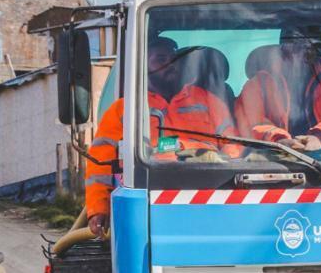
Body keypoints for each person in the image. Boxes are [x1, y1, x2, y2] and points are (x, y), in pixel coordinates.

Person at [85, 37, 237, 236]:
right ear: (143, 65)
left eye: (174, 58)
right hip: (151, 200)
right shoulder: (125, 109)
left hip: (214, 197)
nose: (171, 64)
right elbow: (100, 162)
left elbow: (233, 146)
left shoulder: (209, 101)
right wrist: (98, 209)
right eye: (161, 59)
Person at [234, 26, 321, 151]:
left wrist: (320, 137)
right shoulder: (258, 85)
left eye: (306, 45)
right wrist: (278, 140)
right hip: (272, 163)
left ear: (315, 52)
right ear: (281, 49)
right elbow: (249, 124)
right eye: (291, 42)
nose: (298, 50)